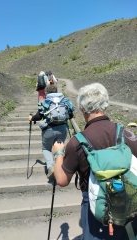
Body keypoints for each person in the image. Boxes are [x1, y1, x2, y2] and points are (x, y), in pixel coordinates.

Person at [52, 82, 137, 240]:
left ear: (82, 109)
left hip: (95, 207)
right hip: (127, 204)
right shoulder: (126, 134)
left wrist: (58, 154)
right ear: (106, 105)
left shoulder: (76, 143)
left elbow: (62, 180)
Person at [28, 84, 74, 179]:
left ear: (46, 92)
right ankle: (60, 167)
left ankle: (50, 166)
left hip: (48, 129)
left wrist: (31, 118)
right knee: (59, 147)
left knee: (46, 148)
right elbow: (71, 115)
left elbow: (38, 116)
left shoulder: (45, 102)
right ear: (57, 91)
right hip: (62, 129)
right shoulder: (64, 101)